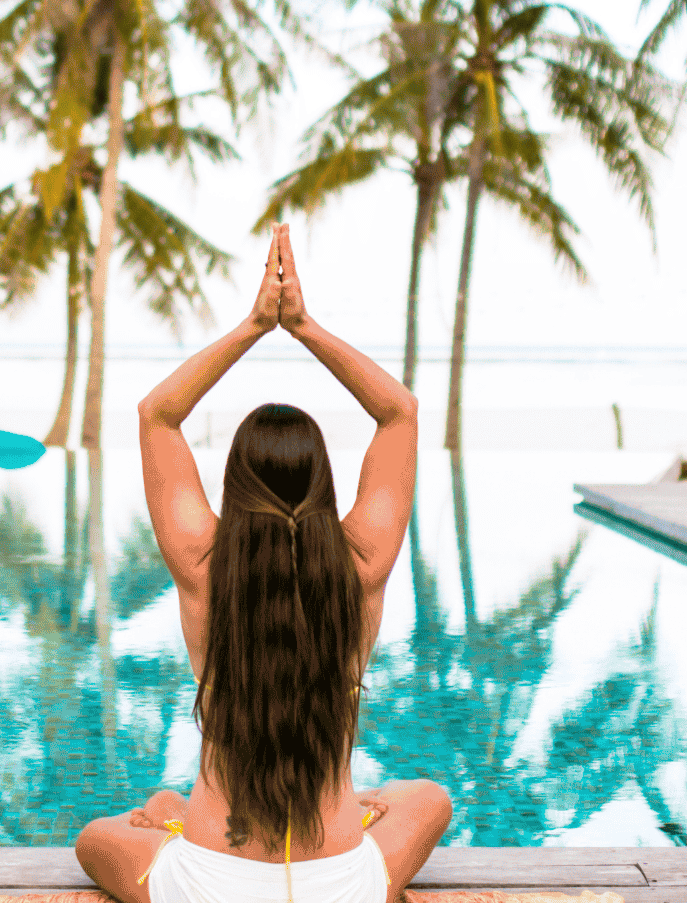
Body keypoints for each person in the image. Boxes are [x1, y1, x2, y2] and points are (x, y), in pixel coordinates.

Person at [74, 225, 452, 903]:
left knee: (98, 836)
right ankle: (339, 809)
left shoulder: (203, 566)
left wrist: (255, 326)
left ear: (234, 484)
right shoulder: (361, 563)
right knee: (425, 799)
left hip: (206, 884)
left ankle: (175, 815)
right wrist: (303, 327)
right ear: (325, 484)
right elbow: (400, 414)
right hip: (343, 884)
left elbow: (157, 415)